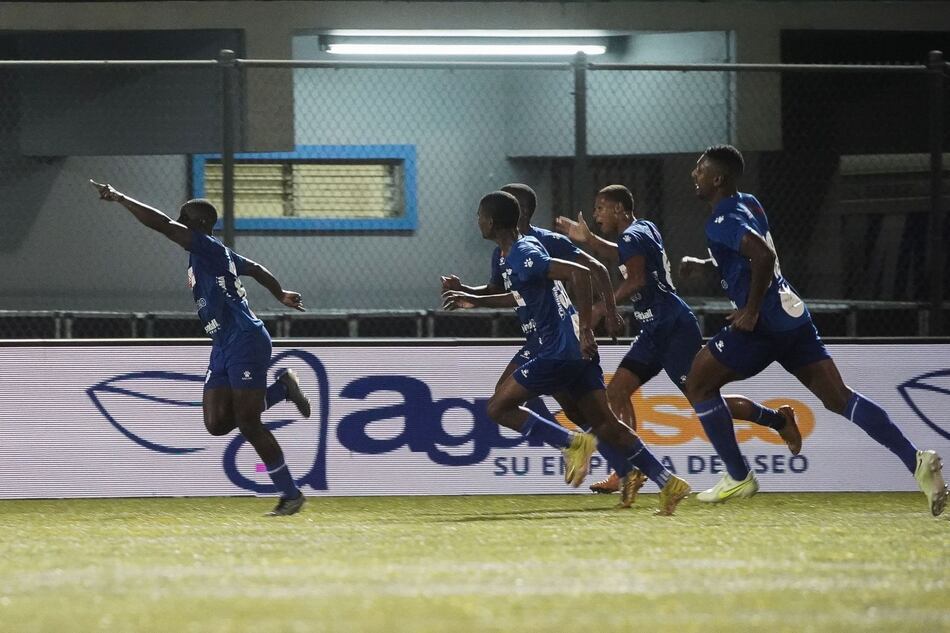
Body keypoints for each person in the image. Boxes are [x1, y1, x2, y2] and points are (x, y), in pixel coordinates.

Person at [678, 145, 947, 516]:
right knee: (839, 398)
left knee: (697, 384)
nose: (695, 174)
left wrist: (751, 311)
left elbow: (762, 256)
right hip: (792, 315)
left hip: (763, 323)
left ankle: (739, 475)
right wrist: (706, 265)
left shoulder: (720, 220)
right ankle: (916, 460)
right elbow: (749, 254)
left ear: (717, 179)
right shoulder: (750, 203)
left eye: (700, 169)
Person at [442, 191, 691, 515]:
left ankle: (572, 443)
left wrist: (587, 328)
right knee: (603, 422)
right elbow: (518, 295)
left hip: (558, 348)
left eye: (479, 216)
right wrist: (470, 297)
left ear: (490, 221)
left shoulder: (525, 251)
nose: (477, 221)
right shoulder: (509, 254)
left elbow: (582, 273)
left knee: (498, 407)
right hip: (568, 347)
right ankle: (668, 481)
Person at [554, 185, 801, 497]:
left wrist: (605, 306)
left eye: (601, 207)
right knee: (616, 390)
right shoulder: (642, 230)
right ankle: (628, 469)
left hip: (671, 328)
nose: (596, 214)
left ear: (619, 209)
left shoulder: (633, 235)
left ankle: (778, 419)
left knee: (703, 398)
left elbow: (637, 279)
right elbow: (623, 255)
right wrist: (590, 240)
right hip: (654, 328)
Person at [91, 181, 312, 516]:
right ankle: (282, 389)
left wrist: (120, 197)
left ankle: (290, 495)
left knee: (249, 423)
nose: (179, 220)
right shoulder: (211, 252)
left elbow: (162, 225)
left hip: (245, 339)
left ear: (197, 224)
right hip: (223, 344)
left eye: (184, 217)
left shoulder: (207, 246)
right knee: (218, 423)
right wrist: (280, 293)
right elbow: (255, 269)